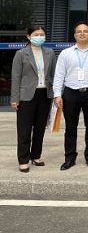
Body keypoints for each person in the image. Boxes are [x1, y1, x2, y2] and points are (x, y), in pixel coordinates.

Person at [53, 22, 88, 170]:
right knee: (70, 127)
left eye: (85, 31)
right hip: (71, 92)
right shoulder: (65, 53)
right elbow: (59, 75)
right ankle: (70, 157)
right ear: (75, 35)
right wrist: (57, 94)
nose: (82, 33)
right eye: (79, 31)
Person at [10, 26, 56, 172]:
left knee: (40, 127)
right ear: (29, 36)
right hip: (26, 96)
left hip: (45, 94)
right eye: (36, 34)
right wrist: (14, 98)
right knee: (24, 129)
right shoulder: (21, 54)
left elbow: (53, 74)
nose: (40, 37)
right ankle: (23, 159)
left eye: (42, 34)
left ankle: (36, 155)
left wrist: (55, 93)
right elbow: (16, 77)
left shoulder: (50, 53)